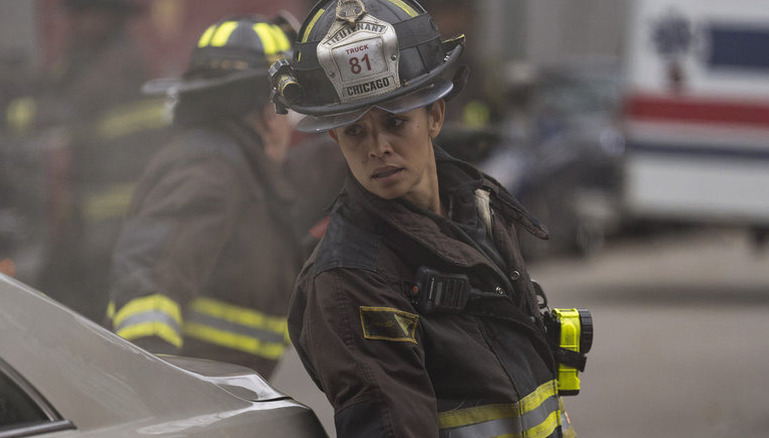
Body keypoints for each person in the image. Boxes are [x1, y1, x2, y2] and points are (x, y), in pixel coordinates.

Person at [271, 0, 581, 436]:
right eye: (355, 131)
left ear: (435, 116)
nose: (377, 147)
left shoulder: (478, 210)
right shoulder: (351, 281)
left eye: (395, 122)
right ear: (335, 137)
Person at [107, 15, 302, 377]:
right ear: (264, 110)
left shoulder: (237, 169)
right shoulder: (210, 170)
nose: (288, 124)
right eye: (286, 108)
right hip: (194, 404)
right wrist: (157, 388)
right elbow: (148, 279)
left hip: (221, 397)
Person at [4, 0, 167, 321]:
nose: (75, 23)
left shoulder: (119, 61)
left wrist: (11, 113)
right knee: (58, 290)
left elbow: (66, 108)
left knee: (83, 301)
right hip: (91, 213)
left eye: (84, 13)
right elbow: (53, 86)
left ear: (109, 15)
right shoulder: (88, 53)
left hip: (118, 214)